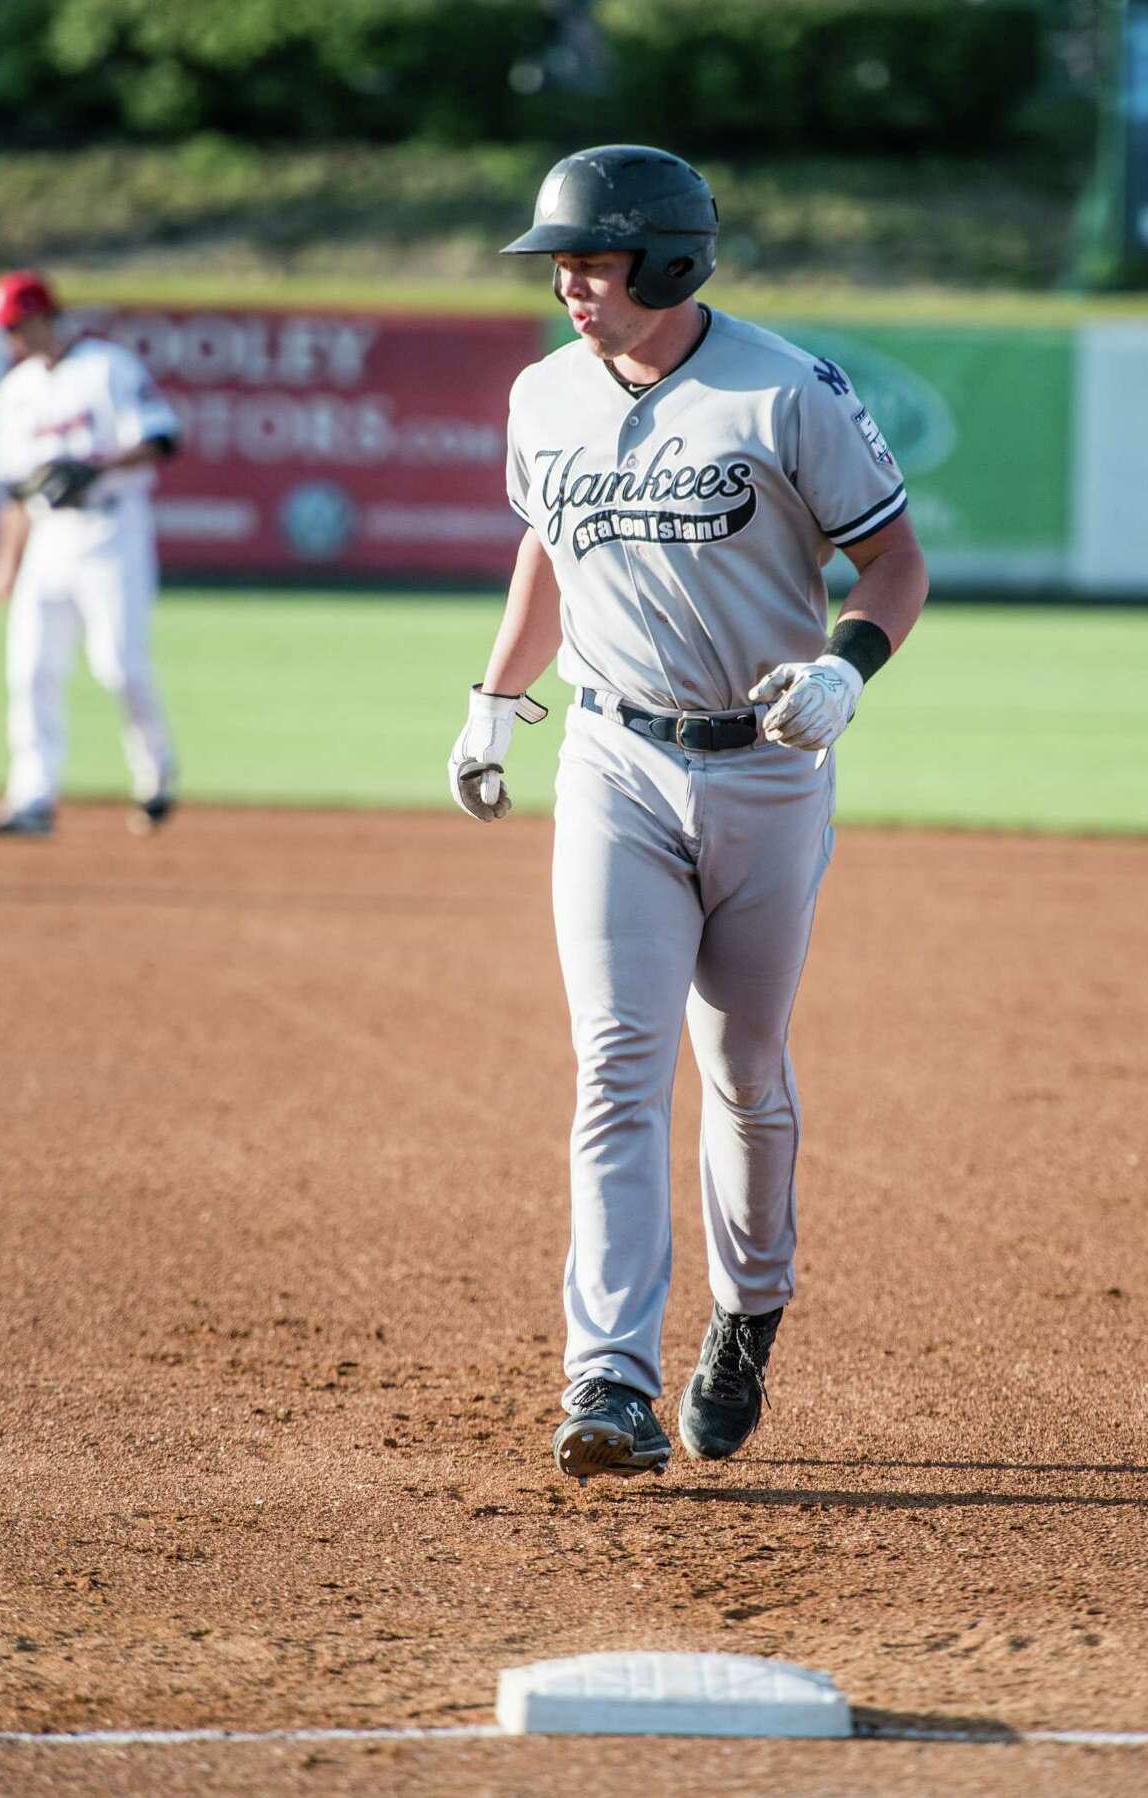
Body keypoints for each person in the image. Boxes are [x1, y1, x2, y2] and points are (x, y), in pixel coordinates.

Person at [448, 145, 928, 1486]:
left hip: (769, 770)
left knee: (744, 1068)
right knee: (616, 1058)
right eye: (560, 261)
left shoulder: (784, 390)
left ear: (666, 262)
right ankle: (605, 1372)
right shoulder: (544, 396)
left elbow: (894, 556)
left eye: (591, 260)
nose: (567, 283)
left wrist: (845, 665)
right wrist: (495, 699)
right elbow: (545, 545)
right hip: (613, 763)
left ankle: (749, 1309)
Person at [0, 270, 181, 840]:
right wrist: (5, 562)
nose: (6, 339)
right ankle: (32, 797)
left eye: (13, 326)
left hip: (113, 532)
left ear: (42, 317)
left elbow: (163, 439)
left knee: (119, 664)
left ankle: (156, 777)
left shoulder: (108, 367)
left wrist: (97, 467)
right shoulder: (15, 391)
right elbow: (16, 492)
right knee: (30, 668)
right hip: (47, 540)